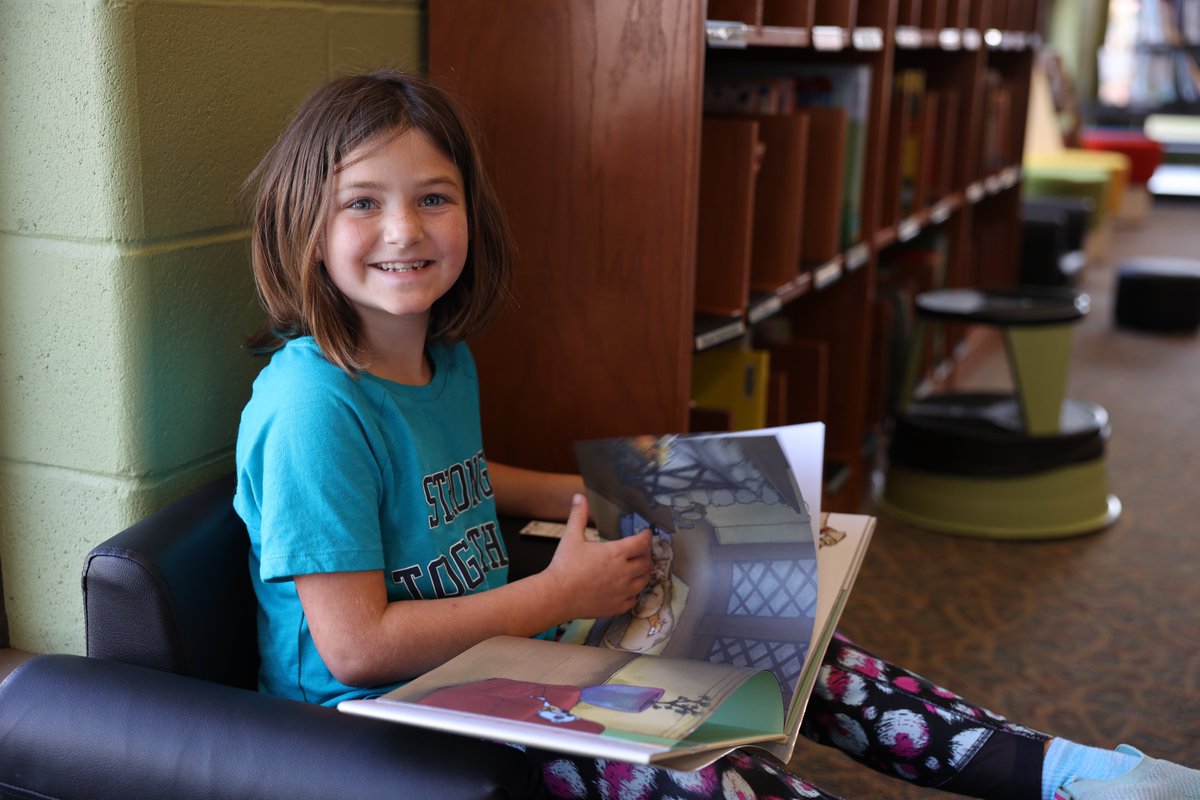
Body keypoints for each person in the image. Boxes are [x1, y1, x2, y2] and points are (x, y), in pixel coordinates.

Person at [233, 69, 1199, 800]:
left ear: (468, 217)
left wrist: (600, 494)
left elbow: (444, 477)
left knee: (790, 647)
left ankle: (1063, 772)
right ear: (306, 225)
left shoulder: (439, 360)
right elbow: (355, 648)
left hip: (500, 655)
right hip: (380, 722)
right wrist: (553, 595)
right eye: (363, 201)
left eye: (432, 197)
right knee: (701, 768)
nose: (404, 228)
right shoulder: (312, 408)